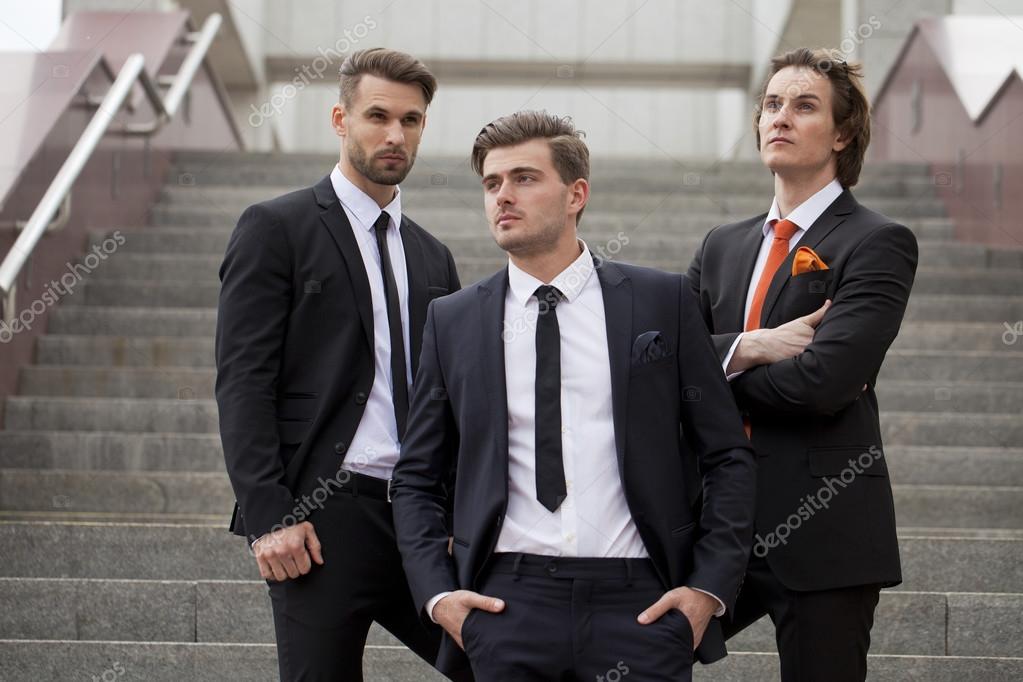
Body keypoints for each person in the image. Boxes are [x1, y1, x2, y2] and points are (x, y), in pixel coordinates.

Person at [391, 110, 756, 681]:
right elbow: (415, 475)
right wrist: (441, 599)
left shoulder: (661, 302)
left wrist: (706, 590)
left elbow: (727, 455)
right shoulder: (454, 320)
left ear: (575, 194)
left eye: (524, 178)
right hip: (504, 603)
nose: (502, 196)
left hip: (640, 604)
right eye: (491, 183)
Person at [215, 47, 463, 681]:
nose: (394, 134)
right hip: (322, 517)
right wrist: (271, 519)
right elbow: (243, 381)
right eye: (377, 115)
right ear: (340, 118)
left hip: (420, 518)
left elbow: (449, 397)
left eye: (411, 120)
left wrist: (462, 512)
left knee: (495, 662)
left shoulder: (432, 257)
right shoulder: (277, 227)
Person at [685, 48, 917, 681]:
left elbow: (826, 382)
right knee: (630, 657)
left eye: (804, 105)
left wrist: (712, 374)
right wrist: (748, 347)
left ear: (842, 133)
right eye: (772, 104)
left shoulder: (877, 241)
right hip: (713, 516)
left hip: (825, 526)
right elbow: (660, 362)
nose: (780, 117)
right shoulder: (722, 245)